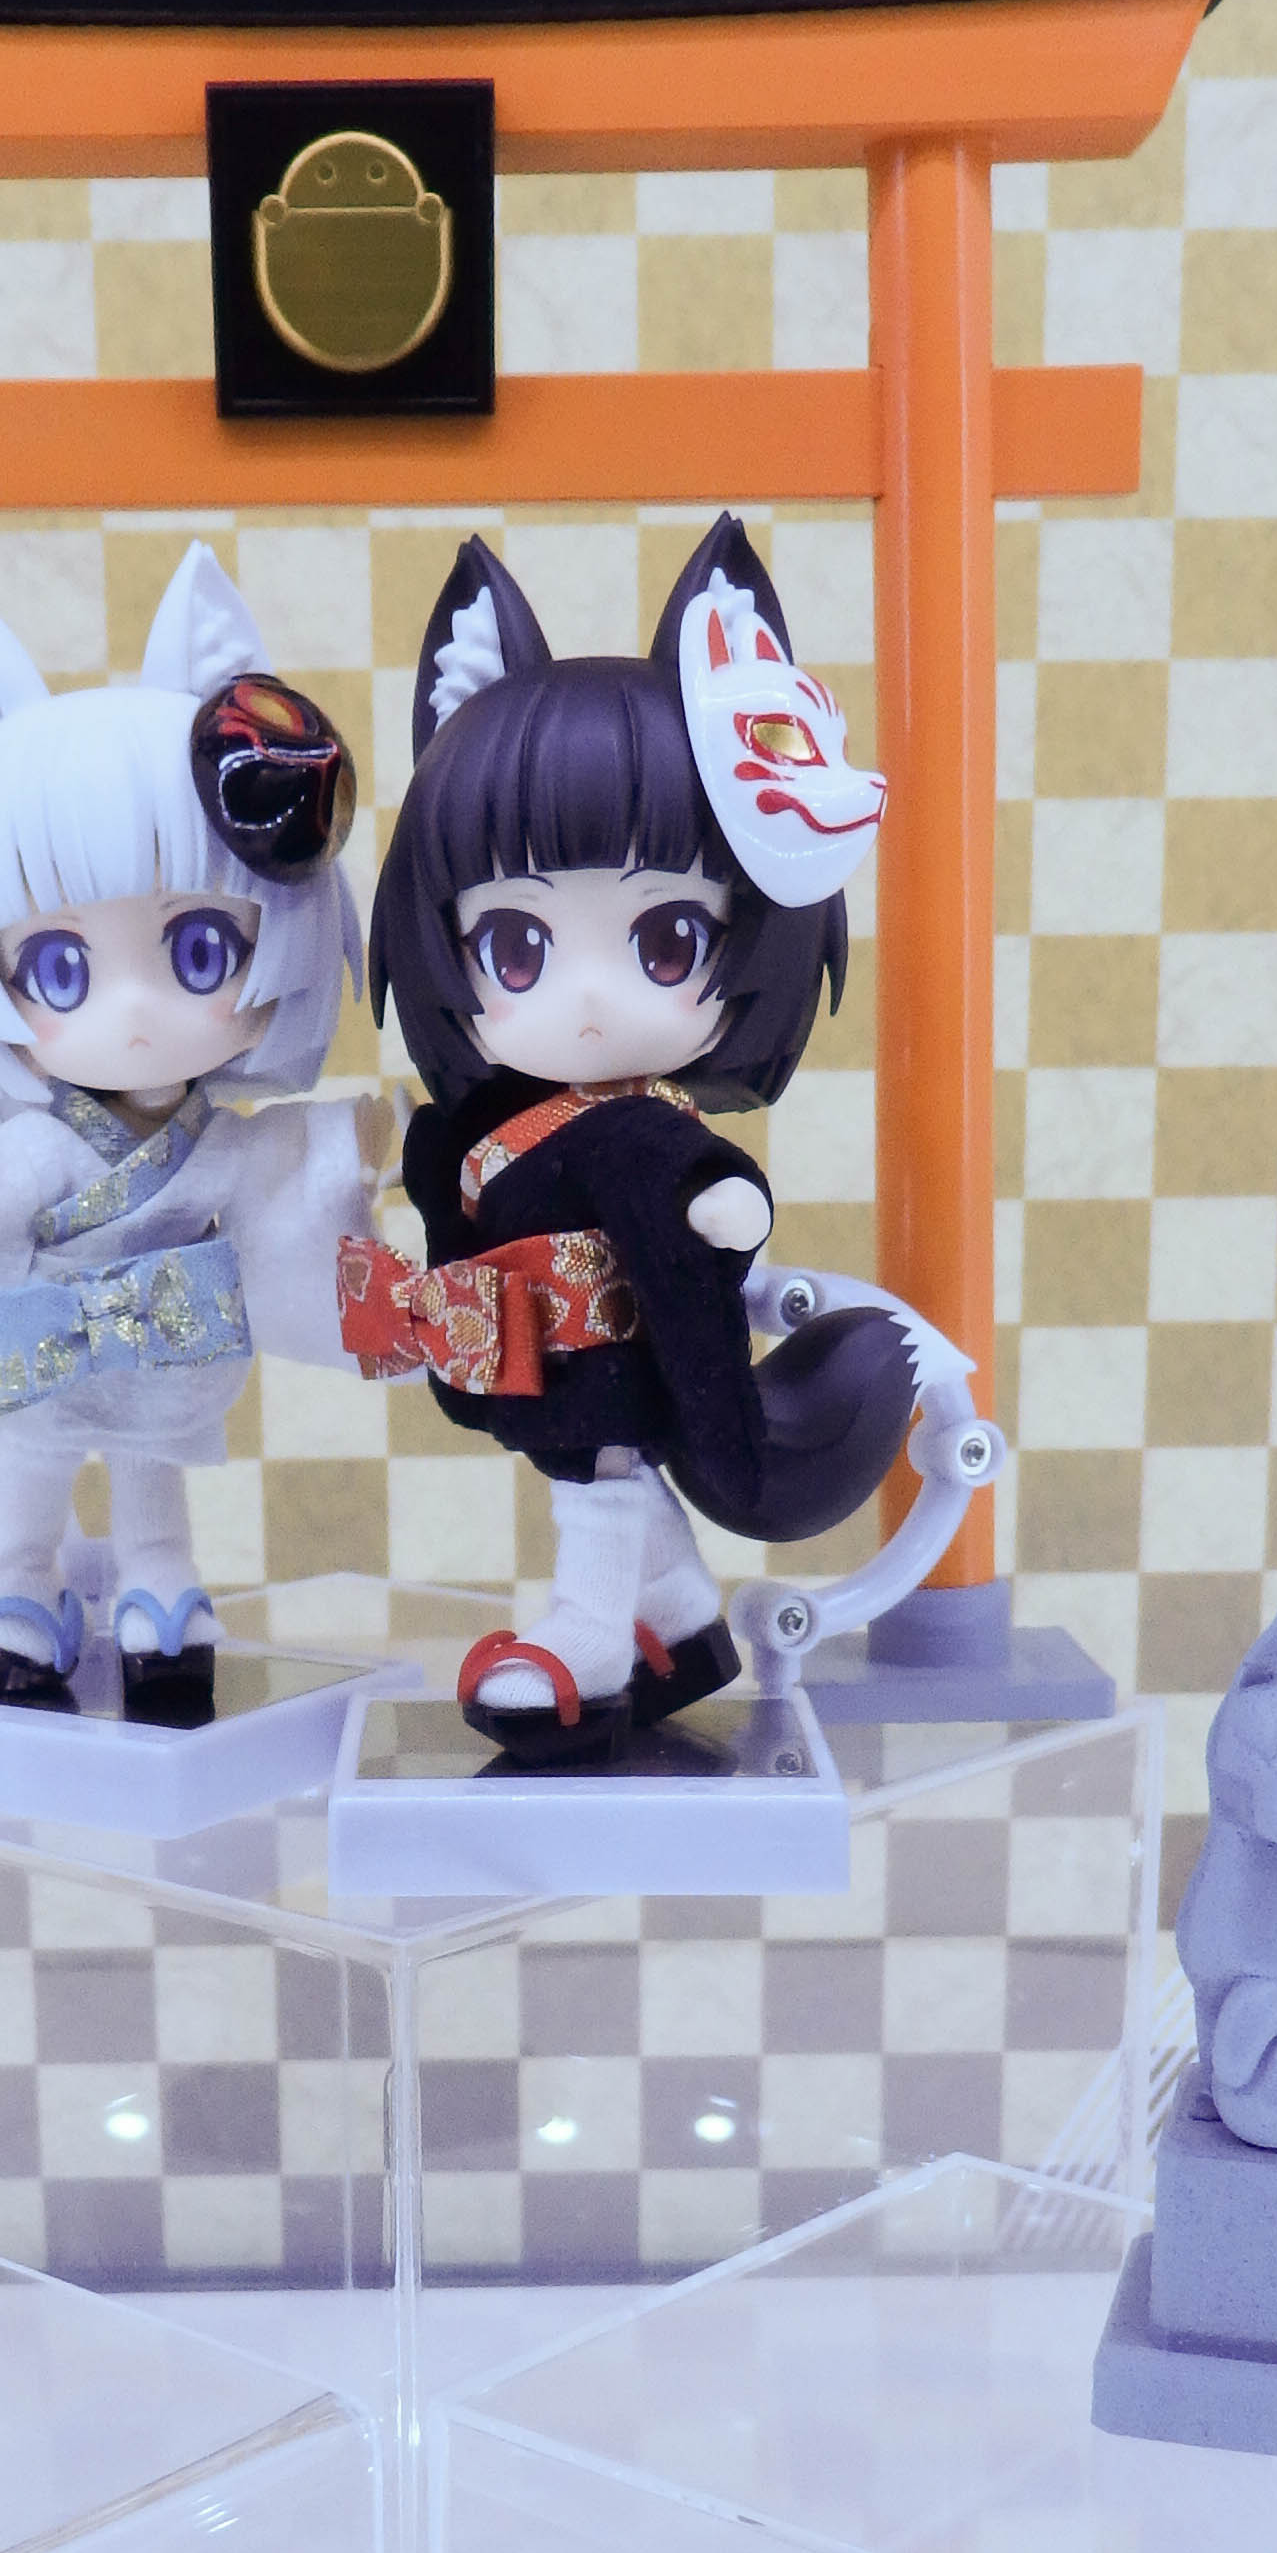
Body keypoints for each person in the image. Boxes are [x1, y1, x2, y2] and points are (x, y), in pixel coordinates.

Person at [353, 515, 916, 1762]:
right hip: (535, 1356)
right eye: (518, 948)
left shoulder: (642, 1133)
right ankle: (679, 1624)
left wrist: (721, 1205)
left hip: (607, 1353)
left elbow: (697, 1181)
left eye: (667, 941)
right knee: (598, 1475)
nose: (592, 1000)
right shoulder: (497, 1122)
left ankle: (589, 1643)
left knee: (599, 1485)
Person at [0, 546, 369, 1724]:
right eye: (61, 970)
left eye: (201, 951)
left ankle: (160, 1588)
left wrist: (359, 1140)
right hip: (51, 1341)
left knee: (158, 1469)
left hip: (173, 1353)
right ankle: (12, 1583)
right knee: (36, 1463)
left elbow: (276, 1172)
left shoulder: (212, 1142)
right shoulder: (45, 1146)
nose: (137, 1015)